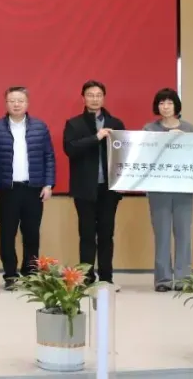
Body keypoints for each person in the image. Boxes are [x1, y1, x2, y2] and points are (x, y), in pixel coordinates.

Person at [0, 87, 55, 288]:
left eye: (20, 100)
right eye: (12, 101)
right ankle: (10, 275)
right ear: (6, 103)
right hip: (6, 189)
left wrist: (48, 184)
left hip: (33, 188)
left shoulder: (40, 127)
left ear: (27, 103)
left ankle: (30, 273)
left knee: (32, 234)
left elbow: (49, 156)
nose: (16, 104)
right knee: (7, 234)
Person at [63, 80, 125, 285]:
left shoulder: (116, 123)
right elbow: (70, 149)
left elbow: (125, 154)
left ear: (104, 98)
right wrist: (96, 137)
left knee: (106, 234)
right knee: (87, 235)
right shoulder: (74, 123)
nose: (95, 99)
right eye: (90, 95)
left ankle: (106, 278)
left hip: (109, 189)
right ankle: (87, 277)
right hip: (84, 189)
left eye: (98, 95)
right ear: (83, 98)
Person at [143, 88, 193, 292]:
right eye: (161, 103)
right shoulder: (149, 129)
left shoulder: (189, 128)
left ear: (176, 106)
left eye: (169, 103)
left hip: (183, 188)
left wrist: (183, 139)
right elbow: (145, 156)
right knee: (162, 234)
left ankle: (183, 278)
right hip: (159, 189)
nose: (165, 107)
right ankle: (163, 279)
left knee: (183, 234)